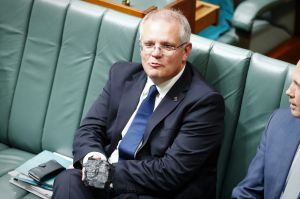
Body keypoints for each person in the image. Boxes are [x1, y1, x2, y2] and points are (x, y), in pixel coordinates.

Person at [53, 8, 224, 199]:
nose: (155, 53)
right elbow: (90, 129)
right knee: (67, 181)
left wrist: (107, 173)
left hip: (156, 191)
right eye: (149, 44)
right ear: (140, 47)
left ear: (185, 51)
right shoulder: (121, 75)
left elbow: (171, 172)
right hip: (106, 179)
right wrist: (94, 160)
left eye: (167, 46)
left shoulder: (204, 102)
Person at [232, 60, 300, 199]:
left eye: (298, 86)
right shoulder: (279, 122)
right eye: (292, 82)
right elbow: (248, 191)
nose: (289, 91)